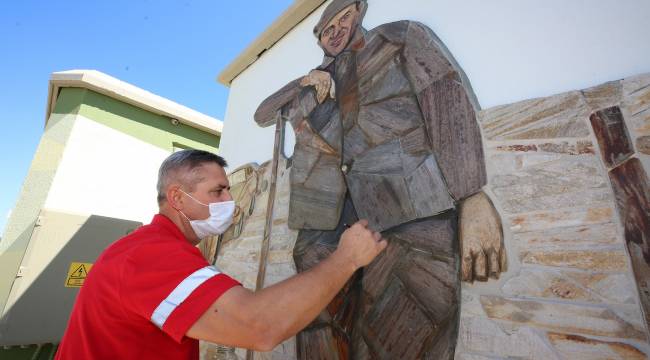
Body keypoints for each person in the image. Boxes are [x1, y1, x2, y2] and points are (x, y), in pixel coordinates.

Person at [254, 0, 506, 358]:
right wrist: (304, 80)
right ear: (319, 39)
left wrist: (472, 195)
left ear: (359, 12)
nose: (337, 30)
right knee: (319, 343)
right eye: (328, 29)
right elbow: (263, 114)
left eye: (344, 18)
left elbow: (446, 100)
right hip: (322, 233)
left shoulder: (399, 38)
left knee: (403, 340)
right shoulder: (311, 86)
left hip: (410, 219)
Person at [55, 149, 387, 360]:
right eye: (218, 191)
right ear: (178, 198)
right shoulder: (150, 255)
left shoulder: (156, 248)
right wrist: (347, 258)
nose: (231, 200)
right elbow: (259, 326)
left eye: (228, 189)